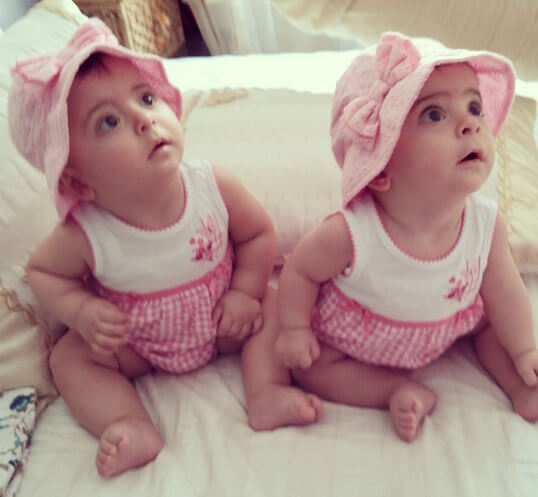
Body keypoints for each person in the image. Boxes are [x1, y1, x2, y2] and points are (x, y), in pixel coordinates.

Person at [8, 19, 321, 478]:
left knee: (275, 303)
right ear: (78, 181)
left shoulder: (212, 186)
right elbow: (43, 272)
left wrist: (244, 293)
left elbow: (257, 235)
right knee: (69, 358)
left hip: (221, 319)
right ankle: (129, 423)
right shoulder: (86, 232)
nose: (143, 119)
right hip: (137, 342)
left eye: (146, 98)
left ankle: (267, 391)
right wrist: (81, 311)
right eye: (109, 122)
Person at [275, 32, 538, 442]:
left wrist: (525, 350)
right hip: (356, 341)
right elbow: (300, 271)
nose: (470, 123)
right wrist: (294, 329)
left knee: (492, 328)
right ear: (380, 169)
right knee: (311, 369)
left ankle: (522, 387)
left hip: (448, 325)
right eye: (434, 115)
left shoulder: (486, 225)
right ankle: (393, 391)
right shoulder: (353, 232)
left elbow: (505, 292)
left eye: (474, 106)